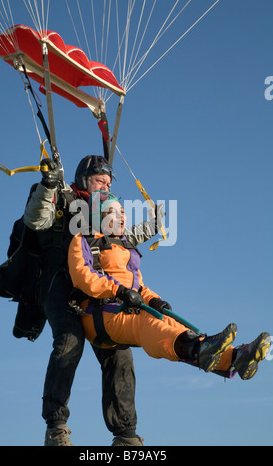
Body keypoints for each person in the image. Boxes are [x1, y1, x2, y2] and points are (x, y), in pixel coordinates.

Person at [22, 155, 162, 446]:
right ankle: (56, 428)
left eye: (109, 183)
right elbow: (36, 219)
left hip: (95, 289)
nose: (105, 186)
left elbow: (117, 240)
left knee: (118, 352)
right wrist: (47, 187)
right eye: (100, 180)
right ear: (85, 179)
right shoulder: (63, 198)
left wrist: (152, 226)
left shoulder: (105, 208)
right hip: (60, 284)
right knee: (70, 341)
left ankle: (125, 435)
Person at [68, 191, 271, 389]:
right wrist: (118, 291)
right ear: (99, 216)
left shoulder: (124, 246)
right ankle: (199, 349)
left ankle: (235, 358)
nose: (122, 216)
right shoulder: (84, 240)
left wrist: (154, 299)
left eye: (122, 211)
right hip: (100, 314)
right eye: (114, 212)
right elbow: (82, 276)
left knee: (171, 321)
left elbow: (138, 286)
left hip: (128, 307)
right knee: (147, 324)